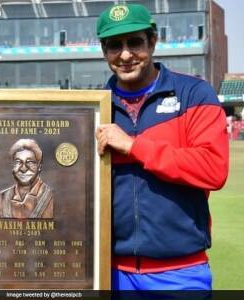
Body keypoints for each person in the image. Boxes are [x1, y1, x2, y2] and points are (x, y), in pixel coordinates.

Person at [95, 4, 229, 290]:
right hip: (111, 273)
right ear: (104, 51)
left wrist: (134, 147)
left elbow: (213, 169)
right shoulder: (94, 110)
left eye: (135, 42)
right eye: (114, 45)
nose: (126, 54)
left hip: (180, 272)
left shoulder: (194, 93)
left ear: (153, 41)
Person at [0, 139, 53, 219]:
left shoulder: (50, 196)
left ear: (39, 167)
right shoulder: (3, 197)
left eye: (30, 162)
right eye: (18, 162)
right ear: (13, 167)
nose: (23, 169)